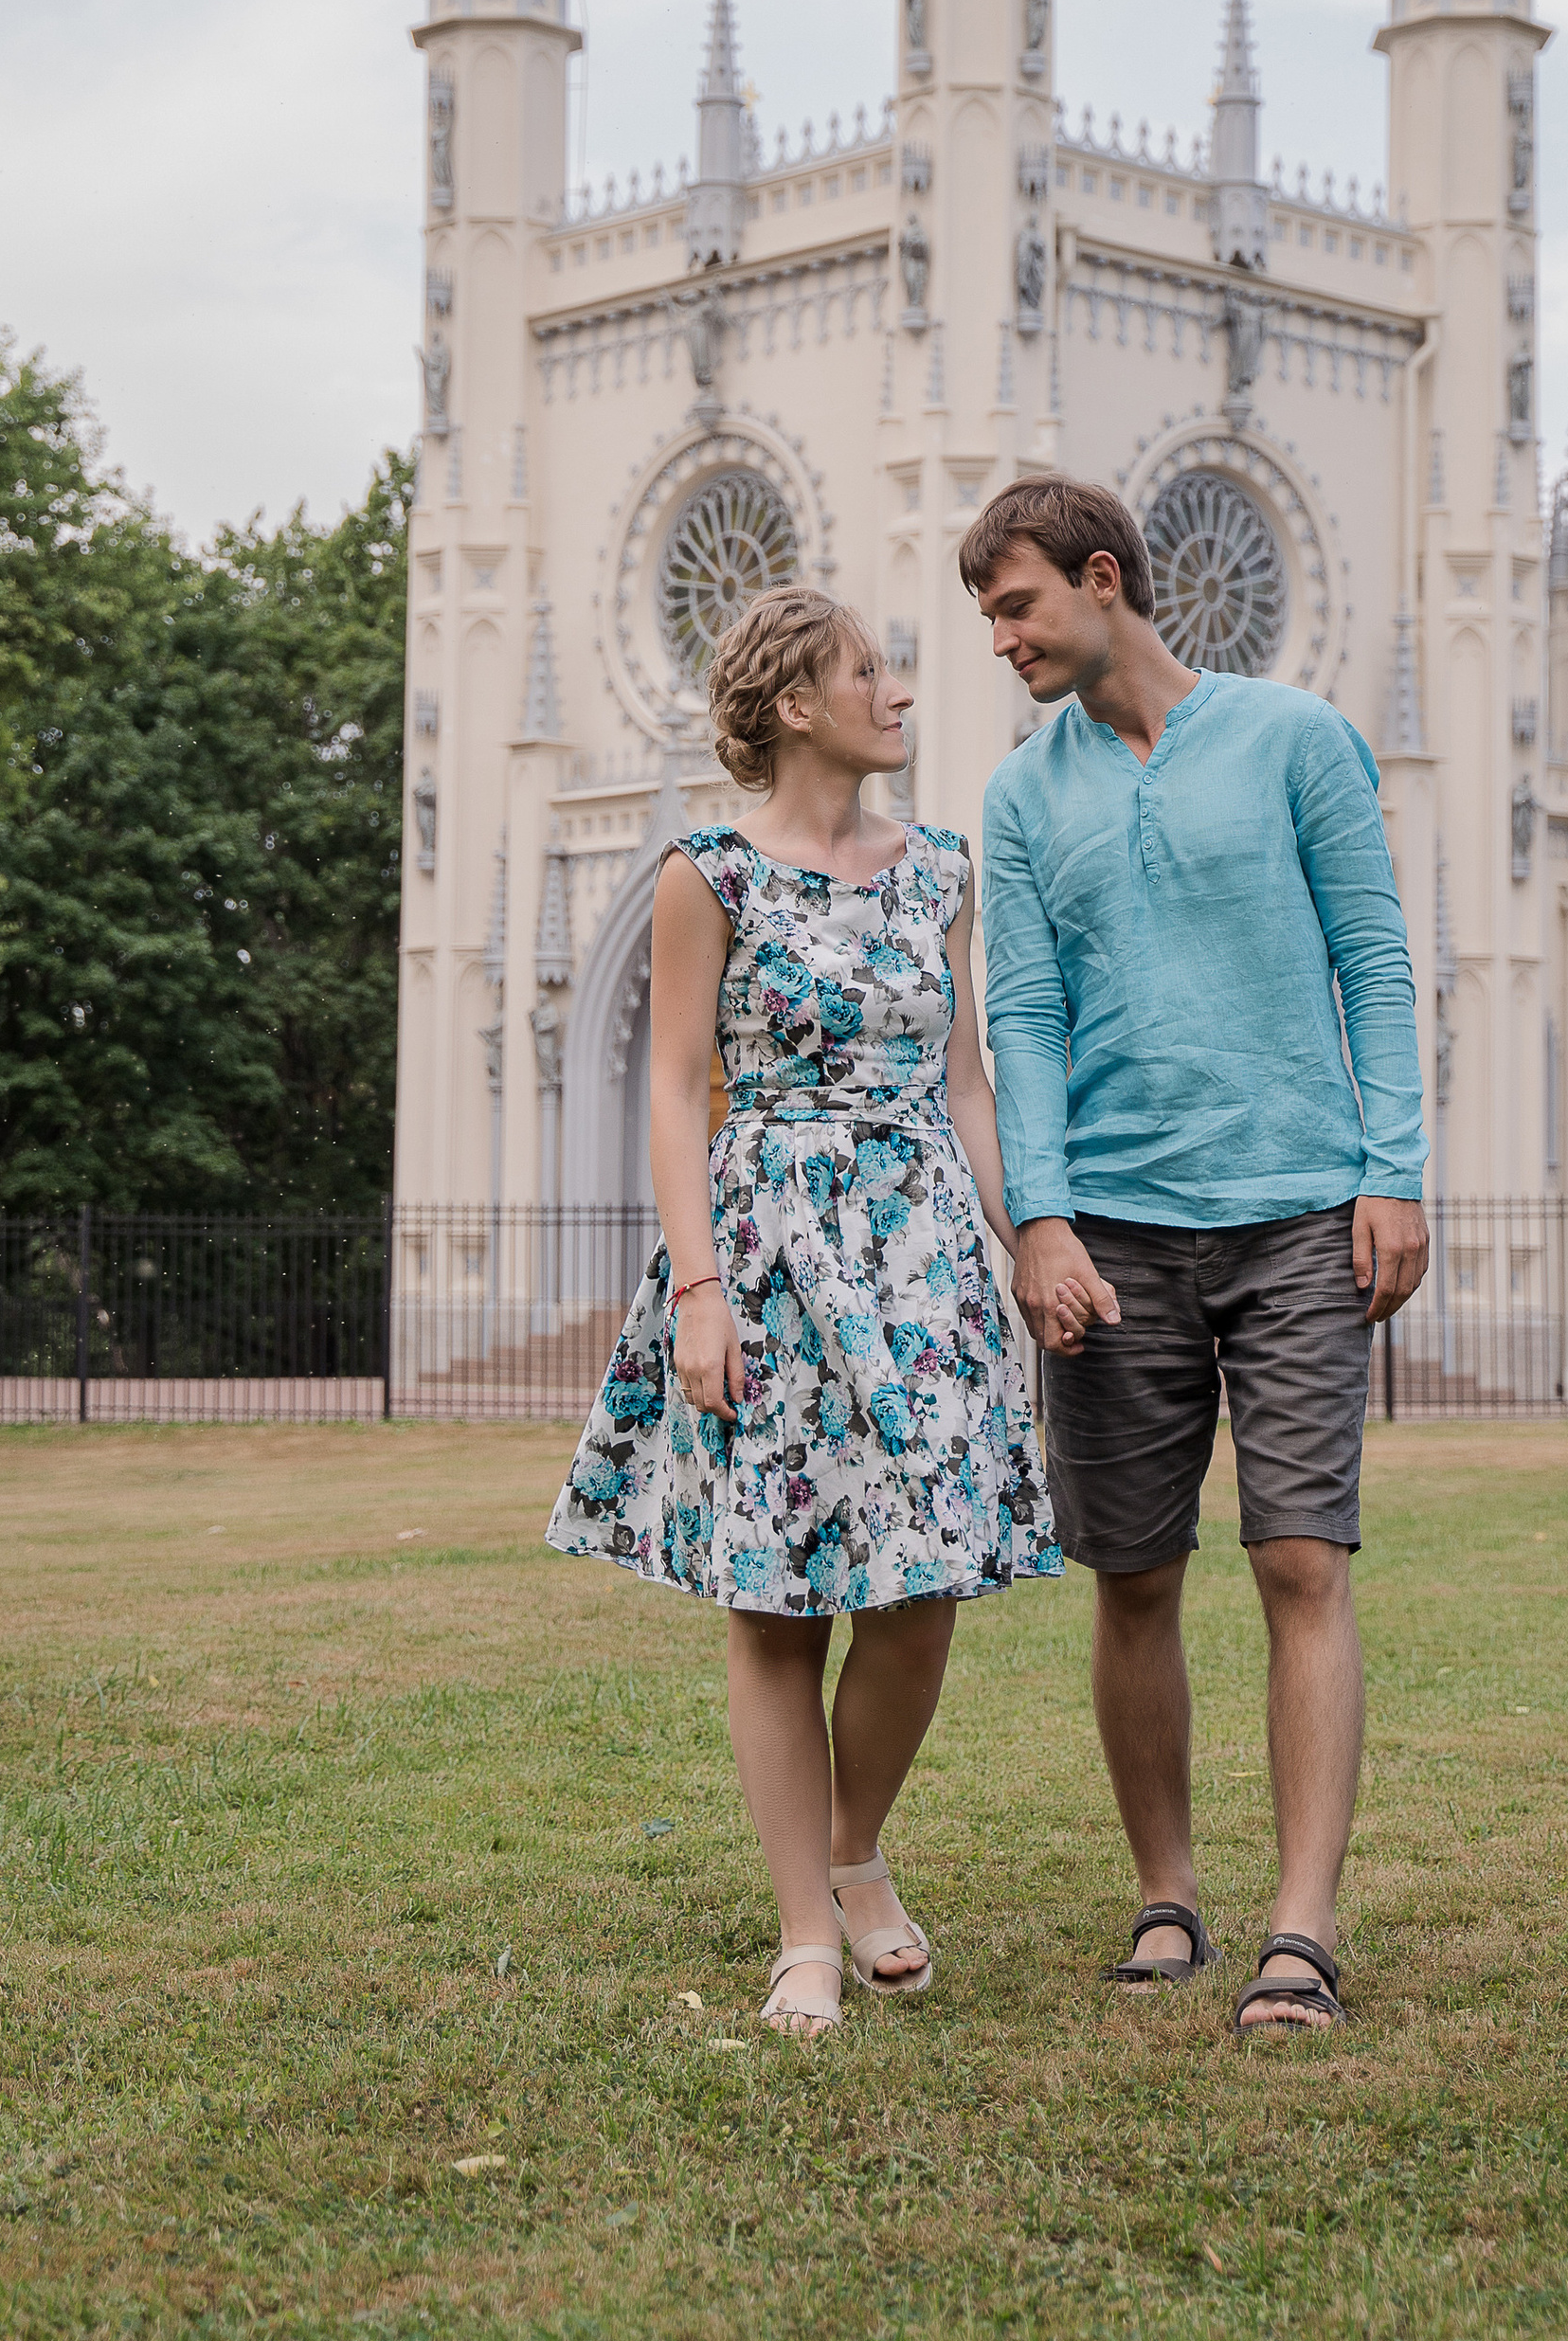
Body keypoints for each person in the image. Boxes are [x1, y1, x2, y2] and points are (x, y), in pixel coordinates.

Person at [548, 586, 1060, 2036]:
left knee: (922, 1588)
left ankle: (855, 1852)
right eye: (867, 672)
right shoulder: (705, 876)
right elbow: (672, 1093)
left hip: (924, 1262)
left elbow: (964, 1082)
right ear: (793, 705)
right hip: (766, 1250)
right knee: (777, 1605)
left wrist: (1029, 1241)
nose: (898, 693)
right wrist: (699, 1292)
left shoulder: (941, 871)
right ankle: (804, 1933)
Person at [960, 477, 1429, 2036]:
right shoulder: (1021, 796)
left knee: (1301, 1557)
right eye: (989, 616)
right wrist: (1039, 1218)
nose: (1002, 639)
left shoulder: (1298, 740)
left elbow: (1374, 960)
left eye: (1017, 605)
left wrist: (1392, 1170)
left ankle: (1304, 1929)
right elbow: (1024, 1017)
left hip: (1299, 1210)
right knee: (1134, 1577)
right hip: (1112, 1234)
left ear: (1104, 579)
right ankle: (1168, 1898)